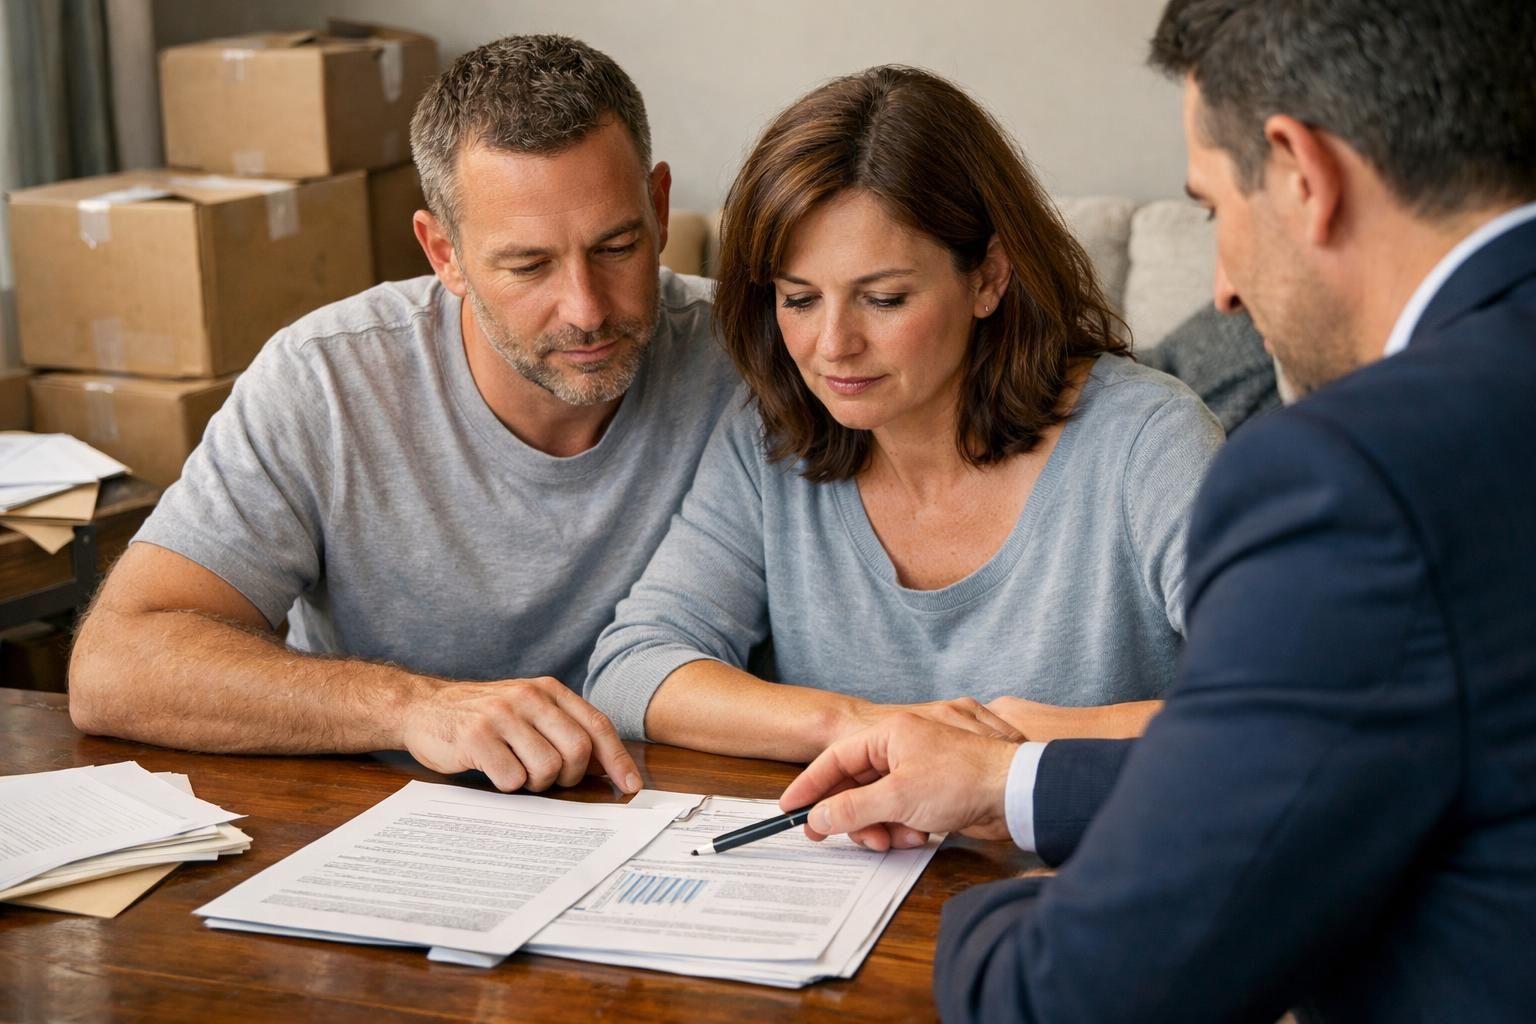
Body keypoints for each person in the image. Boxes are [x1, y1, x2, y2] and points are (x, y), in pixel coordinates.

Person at [779, 1, 1536, 1020]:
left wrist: (989, 912)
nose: (1221, 288)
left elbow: (1066, 994)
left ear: (1301, 171)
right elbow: (1339, 768)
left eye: (1215, 208)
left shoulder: (1354, 478)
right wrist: (1010, 784)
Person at [67, 36, 739, 796]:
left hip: (672, 819)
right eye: (529, 266)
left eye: (617, 247)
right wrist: (414, 707)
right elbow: (114, 666)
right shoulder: (326, 381)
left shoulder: (752, 360)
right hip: (382, 818)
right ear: (443, 251)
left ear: (656, 206)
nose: (586, 310)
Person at [584, 66, 1224, 762]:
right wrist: (863, 727)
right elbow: (632, 669)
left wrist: (999, 748)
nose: (833, 348)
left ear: (988, 276)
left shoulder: (1149, 441)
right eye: (799, 300)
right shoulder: (771, 439)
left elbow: (1288, 701)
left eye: (883, 299)